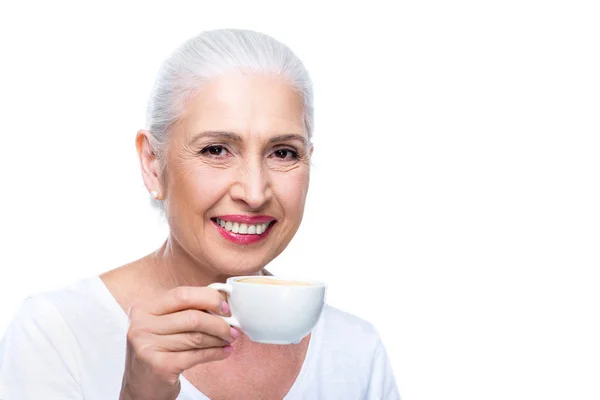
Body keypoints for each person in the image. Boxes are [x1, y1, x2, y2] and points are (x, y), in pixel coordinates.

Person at [0, 29, 400, 399]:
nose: (255, 192)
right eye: (216, 150)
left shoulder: (357, 351)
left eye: (283, 153)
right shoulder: (56, 332)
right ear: (153, 164)